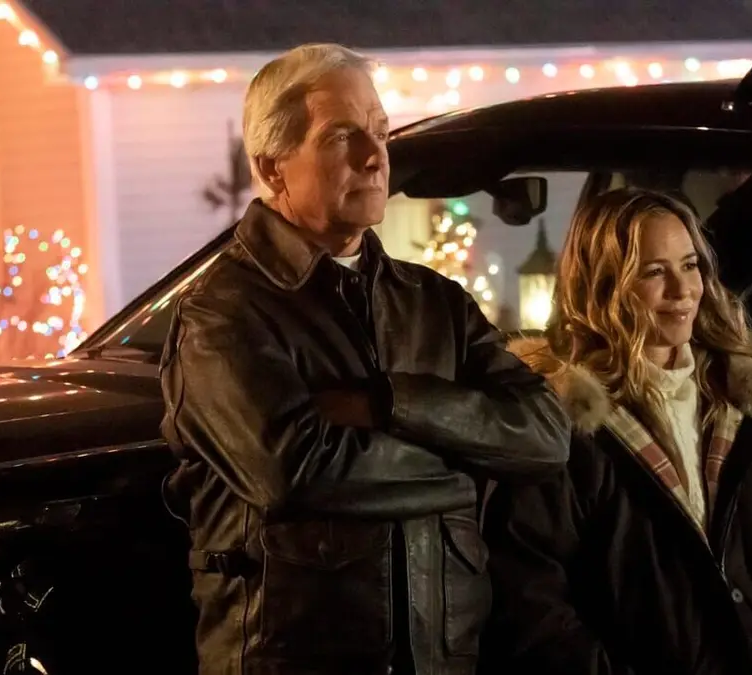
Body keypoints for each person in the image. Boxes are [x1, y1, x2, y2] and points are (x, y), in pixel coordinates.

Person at [158, 43, 570, 675]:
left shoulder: (435, 303)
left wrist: (390, 404)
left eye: (379, 131)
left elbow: (546, 435)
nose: (375, 155)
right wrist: (472, 466)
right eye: (341, 136)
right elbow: (297, 471)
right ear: (272, 167)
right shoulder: (222, 314)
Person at [481, 188, 752, 675]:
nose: (682, 290)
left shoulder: (749, 407)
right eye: (654, 272)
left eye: (690, 265)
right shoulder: (567, 425)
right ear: (606, 285)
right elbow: (531, 598)